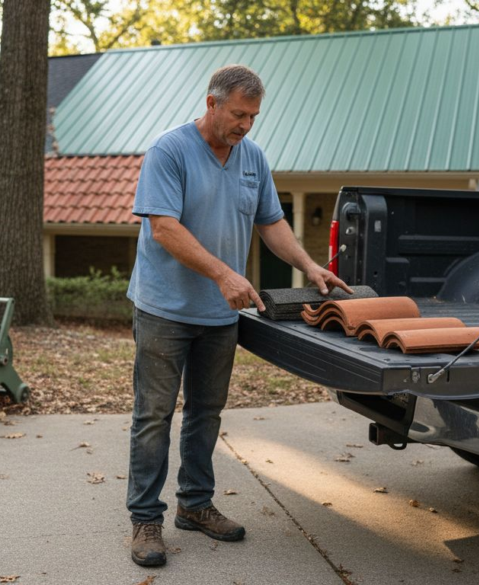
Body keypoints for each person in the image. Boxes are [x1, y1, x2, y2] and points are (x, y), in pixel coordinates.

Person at [125, 64, 352, 567]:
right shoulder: (169, 150)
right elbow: (164, 228)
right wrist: (225, 274)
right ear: (212, 104)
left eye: (253, 117)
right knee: (153, 415)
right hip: (164, 308)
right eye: (238, 114)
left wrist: (310, 265)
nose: (246, 125)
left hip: (219, 315)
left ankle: (195, 505)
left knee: (206, 413)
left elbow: (272, 223)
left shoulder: (253, 158)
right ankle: (145, 519)